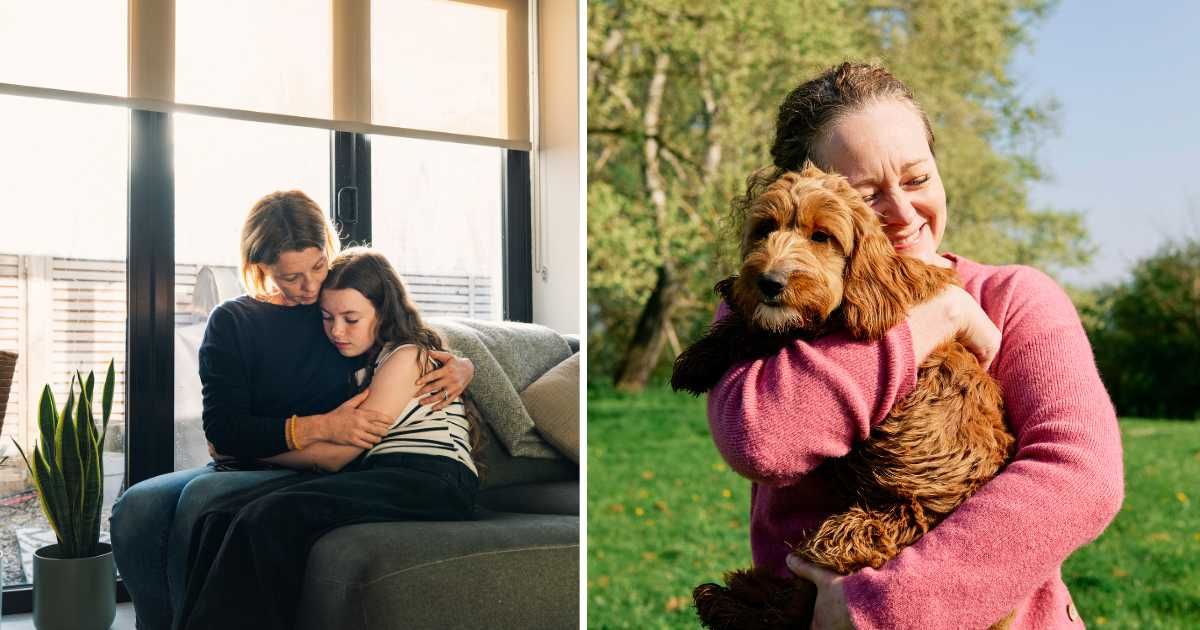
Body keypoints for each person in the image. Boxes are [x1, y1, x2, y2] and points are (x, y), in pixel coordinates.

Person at [707, 62, 1124, 629]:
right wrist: (933, 318)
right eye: (866, 194)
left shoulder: (1013, 297)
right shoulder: (768, 303)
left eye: (917, 178)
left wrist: (884, 608)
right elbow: (762, 439)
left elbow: (1081, 475)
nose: (902, 214)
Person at [110, 191, 475, 630]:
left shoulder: (337, 305)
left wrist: (463, 365)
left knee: (202, 503)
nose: (310, 287)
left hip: (313, 463)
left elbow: (399, 328)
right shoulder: (235, 321)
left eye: (318, 267)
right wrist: (318, 427)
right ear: (260, 268)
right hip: (250, 459)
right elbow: (225, 433)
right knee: (138, 508)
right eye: (291, 276)